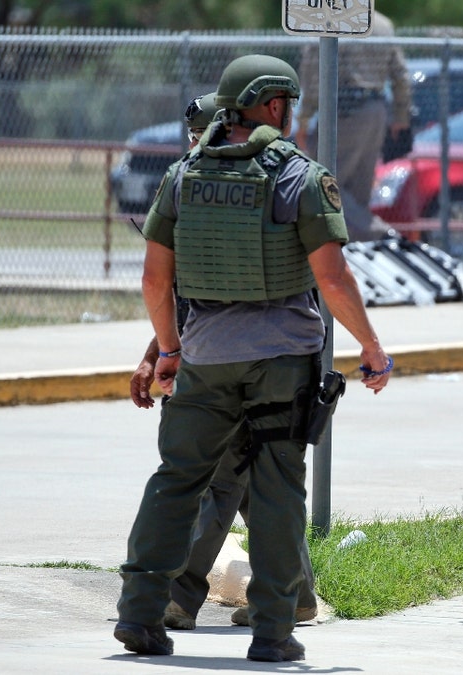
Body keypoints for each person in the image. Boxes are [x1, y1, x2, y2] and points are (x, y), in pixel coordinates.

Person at [115, 53, 393, 662]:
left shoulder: (183, 174)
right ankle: (272, 632)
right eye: (287, 104)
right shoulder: (299, 175)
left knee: (177, 480)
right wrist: (370, 347)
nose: (291, 115)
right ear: (272, 104)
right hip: (281, 361)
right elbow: (335, 278)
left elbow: (155, 282)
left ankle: (139, 615)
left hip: (204, 358)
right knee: (275, 490)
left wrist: (167, 351)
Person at [127, 91, 319, 634]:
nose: (194, 145)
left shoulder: (262, 186)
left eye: (201, 133)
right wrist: (154, 355)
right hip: (214, 357)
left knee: (214, 483)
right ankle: (295, 594)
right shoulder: (198, 181)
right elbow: (182, 294)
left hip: (243, 363)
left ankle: (175, 597)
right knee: (256, 487)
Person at [294, 10, 411, 241]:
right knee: (358, 190)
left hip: (343, 110)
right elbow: (401, 75)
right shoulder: (383, 24)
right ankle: (357, 249)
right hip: (376, 109)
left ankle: (377, 233)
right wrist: (400, 116)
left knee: (322, 182)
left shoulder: (329, 18)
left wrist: (304, 119)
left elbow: (314, 74)